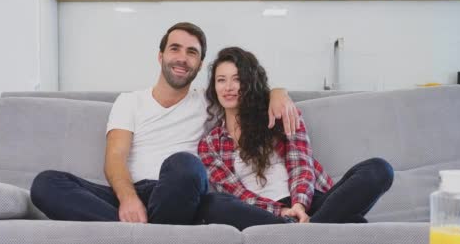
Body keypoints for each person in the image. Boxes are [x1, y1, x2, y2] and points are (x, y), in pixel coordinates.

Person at [30, 22, 300, 226]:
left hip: (180, 191)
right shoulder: (130, 101)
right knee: (46, 183)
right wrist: (128, 200)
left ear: (199, 64)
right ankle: (144, 234)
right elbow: (114, 159)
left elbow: (246, 92)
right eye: (175, 49)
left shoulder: (209, 100)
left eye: (191, 52)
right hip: (132, 193)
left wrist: (278, 92)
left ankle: (137, 235)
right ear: (160, 56)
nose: (182, 58)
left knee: (185, 164)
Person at [198, 47, 394, 229]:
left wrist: (299, 205)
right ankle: (323, 227)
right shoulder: (210, 144)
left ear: (249, 83)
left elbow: (301, 165)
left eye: (237, 79)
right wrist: (281, 211)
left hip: (310, 202)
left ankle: (310, 231)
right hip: (262, 214)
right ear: (214, 87)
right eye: (221, 80)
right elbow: (233, 191)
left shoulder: (279, 113)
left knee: (378, 169)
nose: (228, 87)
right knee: (211, 203)